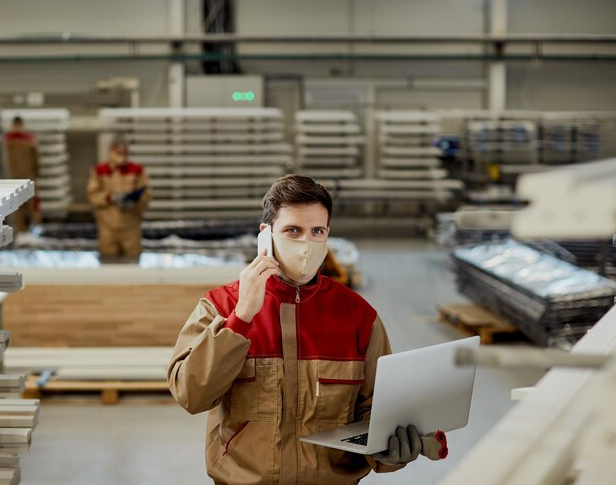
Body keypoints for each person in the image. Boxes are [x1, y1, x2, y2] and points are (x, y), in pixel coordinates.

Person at [168, 175, 447, 484]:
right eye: (293, 231)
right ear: (266, 234)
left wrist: (390, 451)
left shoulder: (358, 316)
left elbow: (375, 410)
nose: (306, 244)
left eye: (317, 231)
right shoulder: (220, 306)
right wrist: (242, 316)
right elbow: (191, 395)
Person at [87, 135, 152, 260]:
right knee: (108, 260)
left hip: (131, 225)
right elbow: (92, 195)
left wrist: (135, 202)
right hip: (107, 226)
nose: (121, 156)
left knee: (132, 260)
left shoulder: (137, 170)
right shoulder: (100, 171)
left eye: (125, 153)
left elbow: (146, 194)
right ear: (111, 151)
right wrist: (110, 198)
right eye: (118, 152)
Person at [4, 116, 40, 232]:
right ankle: (21, 231)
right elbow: (37, 162)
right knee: (18, 208)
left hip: (22, 177)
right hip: (15, 179)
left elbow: (36, 161)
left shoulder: (7, 141)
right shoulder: (28, 141)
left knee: (29, 206)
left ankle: (30, 230)